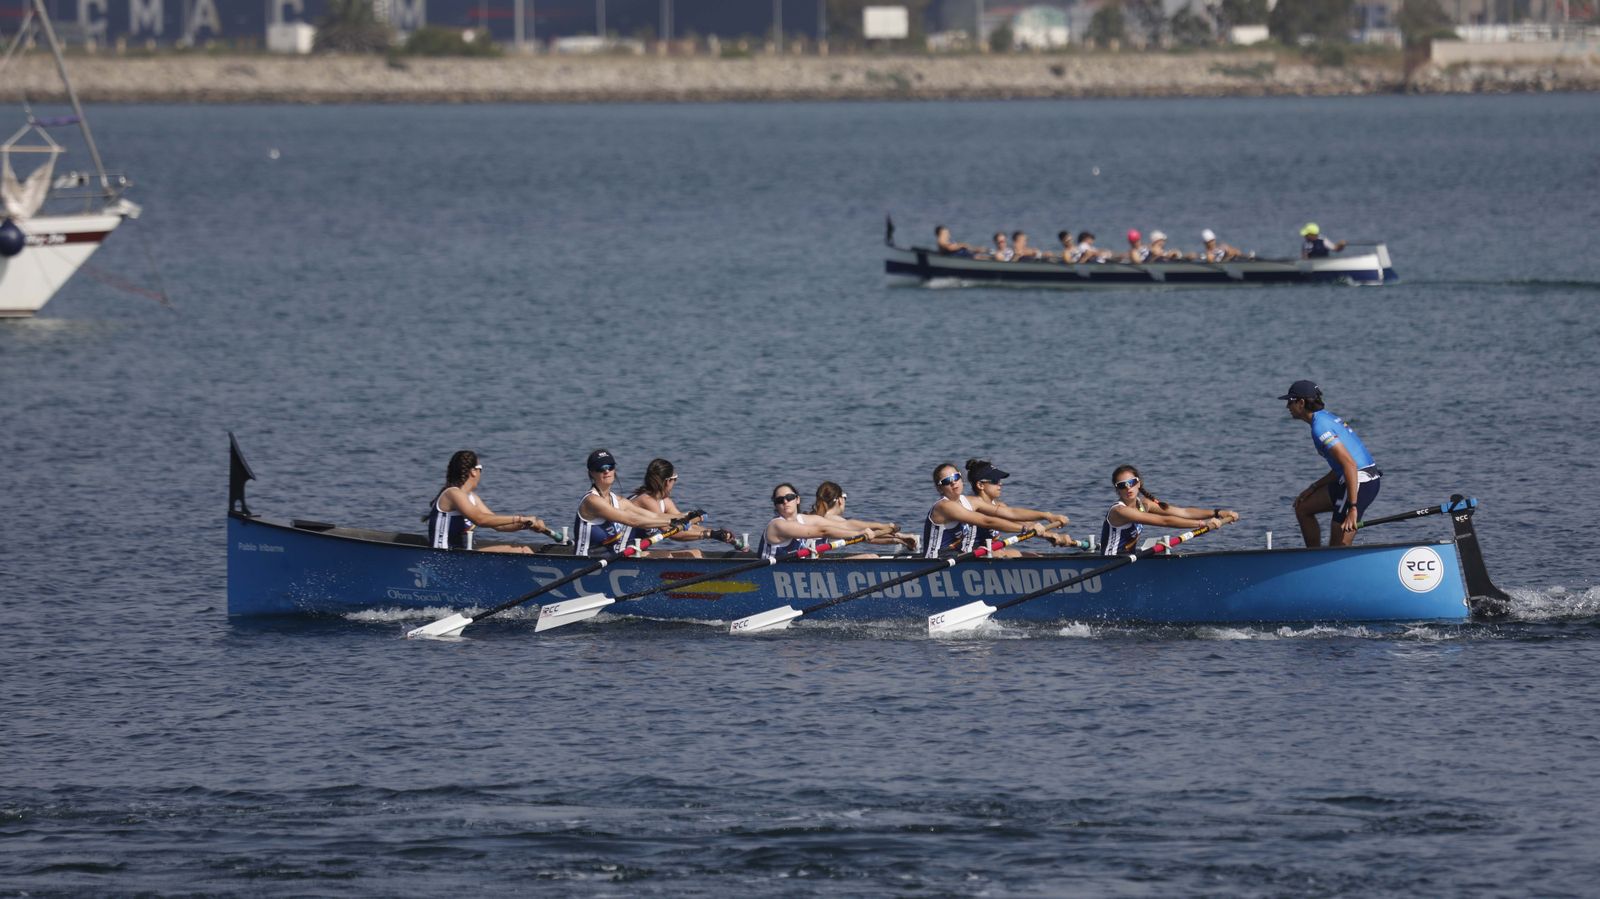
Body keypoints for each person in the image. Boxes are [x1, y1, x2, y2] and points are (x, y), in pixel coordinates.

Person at [1281, 380, 1380, 548]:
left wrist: (1353, 508)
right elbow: (1341, 466)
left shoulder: (1320, 427)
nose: (1287, 407)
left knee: (1337, 546)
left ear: (1301, 403)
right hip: (1349, 478)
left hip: (1361, 482)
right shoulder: (1325, 418)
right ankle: (1313, 559)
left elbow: (1349, 464)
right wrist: (1313, 487)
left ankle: (1333, 566)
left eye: (1290, 401)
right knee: (1303, 508)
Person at [427, 450, 551, 554]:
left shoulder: (472, 498)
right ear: (473, 471)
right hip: (443, 558)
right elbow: (480, 520)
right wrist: (520, 519)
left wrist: (528, 525)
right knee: (522, 551)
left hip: (460, 555)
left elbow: (500, 525)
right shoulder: (452, 494)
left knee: (523, 551)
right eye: (480, 468)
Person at [1100, 465, 1239, 556]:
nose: (1128, 488)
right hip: (1110, 562)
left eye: (1132, 482)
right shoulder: (1120, 511)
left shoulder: (1145, 504)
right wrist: (1203, 524)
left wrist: (1217, 513)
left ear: (1139, 483)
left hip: (1129, 559)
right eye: (1122, 485)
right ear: (1117, 489)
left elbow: (1184, 512)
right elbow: (1164, 521)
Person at [922, 462, 1052, 559]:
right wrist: (1024, 529)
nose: (953, 483)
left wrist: (1046, 515)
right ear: (940, 488)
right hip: (936, 560)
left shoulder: (970, 501)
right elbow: (987, 521)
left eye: (956, 477)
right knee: (997, 554)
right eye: (947, 481)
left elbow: (1009, 512)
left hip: (957, 556)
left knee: (1014, 554)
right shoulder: (944, 506)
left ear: (961, 479)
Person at [573, 449, 682, 557]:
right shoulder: (592, 501)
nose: (607, 471)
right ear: (591, 473)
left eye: (610, 466)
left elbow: (655, 516)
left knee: (666, 555)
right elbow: (633, 520)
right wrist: (670, 521)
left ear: (614, 470)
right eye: (600, 468)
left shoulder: (620, 501)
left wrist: (685, 516)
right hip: (585, 562)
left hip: (611, 560)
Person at [627, 458, 740, 558]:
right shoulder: (646, 500)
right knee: (667, 557)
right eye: (675, 479)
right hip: (622, 553)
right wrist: (709, 535)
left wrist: (714, 532)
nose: (675, 482)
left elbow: (685, 526)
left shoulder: (665, 502)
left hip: (637, 552)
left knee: (695, 553)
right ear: (667, 481)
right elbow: (674, 533)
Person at [963, 459, 1076, 557]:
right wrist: (1040, 528)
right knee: (1004, 554)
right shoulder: (974, 505)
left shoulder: (999, 506)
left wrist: (1052, 535)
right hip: (971, 554)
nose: (1000, 484)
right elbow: (992, 522)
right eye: (995, 481)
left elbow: (1023, 522)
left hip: (992, 551)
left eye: (1000, 480)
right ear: (980, 485)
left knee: (1033, 556)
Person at [759, 482, 877, 560]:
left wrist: (886, 530)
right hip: (772, 574)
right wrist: (859, 534)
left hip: (798, 573)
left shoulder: (806, 519)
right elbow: (823, 531)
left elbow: (845, 525)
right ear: (775, 505)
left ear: (797, 499)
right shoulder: (777, 525)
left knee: (871, 557)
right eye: (780, 500)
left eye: (789, 498)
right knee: (869, 558)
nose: (785, 502)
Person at [809, 481, 917, 554]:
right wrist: (892, 530)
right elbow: (863, 531)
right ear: (840, 500)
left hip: (806, 557)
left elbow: (865, 538)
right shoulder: (832, 519)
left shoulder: (812, 515)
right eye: (845, 497)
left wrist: (897, 539)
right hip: (809, 561)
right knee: (871, 558)